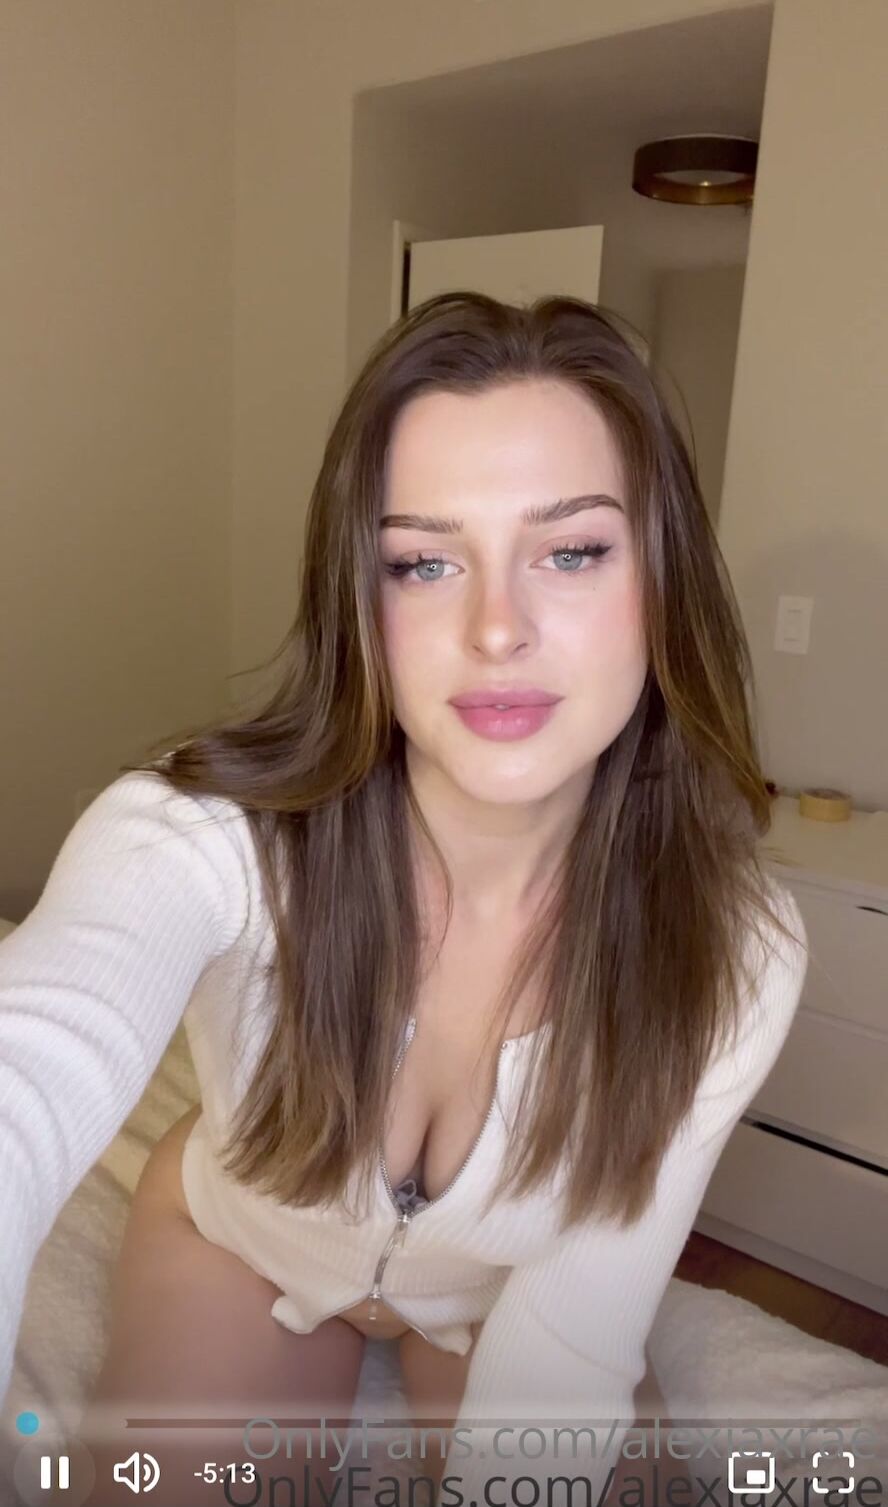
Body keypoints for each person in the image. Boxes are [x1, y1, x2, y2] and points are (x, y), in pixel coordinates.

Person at [0, 292, 808, 1505]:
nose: (497, 628)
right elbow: (25, 1065)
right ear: (358, 602)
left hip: (493, 1300)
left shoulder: (732, 949)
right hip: (237, 1243)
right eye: (424, 562)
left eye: (573, 550)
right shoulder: (202, 838)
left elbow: (575, 1337)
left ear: (664, 576)